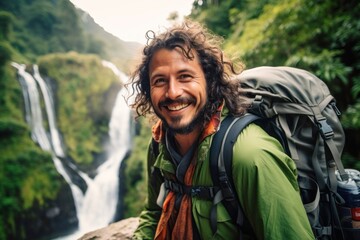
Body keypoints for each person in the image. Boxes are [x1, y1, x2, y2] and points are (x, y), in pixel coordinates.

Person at [128, 20, 314, 240]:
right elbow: (154, 213)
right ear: (149, 91)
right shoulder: (160, 143)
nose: (173, 92)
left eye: (185, 76)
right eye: (159, 81)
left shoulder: (250, 155)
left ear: (209, 81)